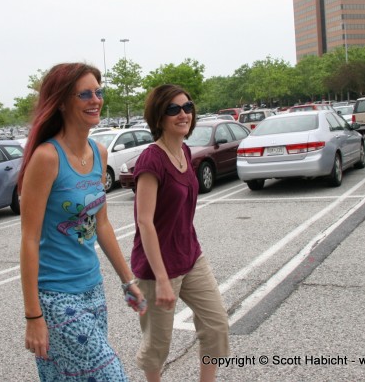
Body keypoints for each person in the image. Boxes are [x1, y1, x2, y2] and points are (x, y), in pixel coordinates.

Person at [19, 62, 146, 381]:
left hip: (92, 288)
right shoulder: (47, 158)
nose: (96, 99)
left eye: (98, 92)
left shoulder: (99, 153)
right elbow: (29, 239)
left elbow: (100, 224)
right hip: (56, 296)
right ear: (62, 102)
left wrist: (127, 280)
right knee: (111, 376)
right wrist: (33, 315)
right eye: (85, 94)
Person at [131, 84, 230, 382]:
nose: (183, 114)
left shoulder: (185, 151)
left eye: (187, 107)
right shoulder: (151, 160)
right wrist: (161, 280)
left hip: (190, 256)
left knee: (216, 326)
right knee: (157, 345)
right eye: (173, 109)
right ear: (159, 118)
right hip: (157, 268)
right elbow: (144, 222)